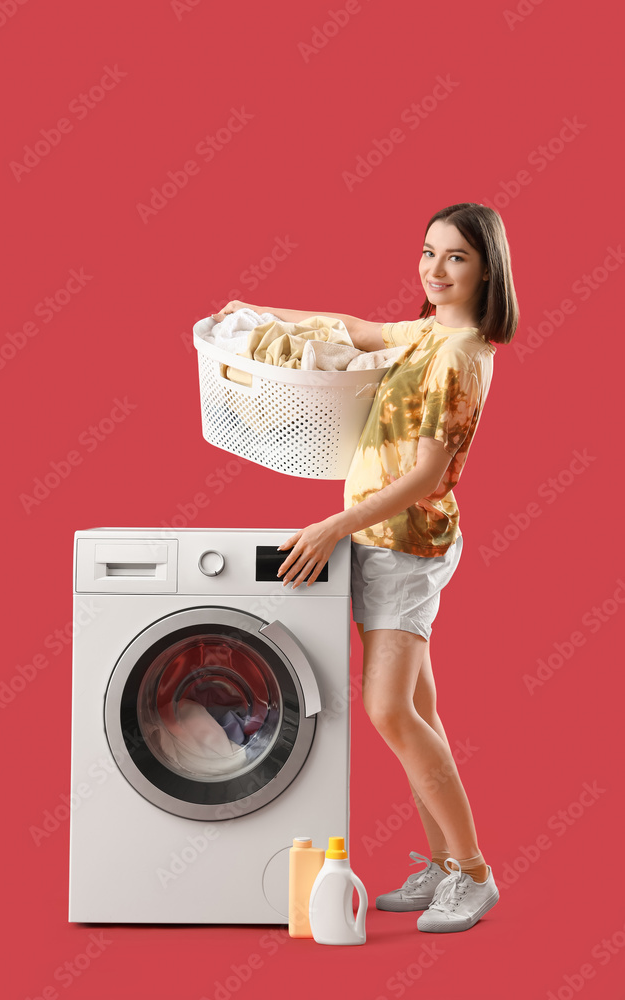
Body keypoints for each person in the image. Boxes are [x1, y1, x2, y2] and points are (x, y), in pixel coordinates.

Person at [214, 202, 518, 933]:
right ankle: (446, 863)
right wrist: (257, 310)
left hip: (403, 542)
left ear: (486, 271)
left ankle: (472, 873)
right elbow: (349, 326)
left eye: (455, 258)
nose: (434, 269)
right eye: (427, 252)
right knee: (419, 712)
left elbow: (428, 475)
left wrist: (333, 526)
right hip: (386, 540)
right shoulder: (428, 333)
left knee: (387, 711)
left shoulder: (459, 354)